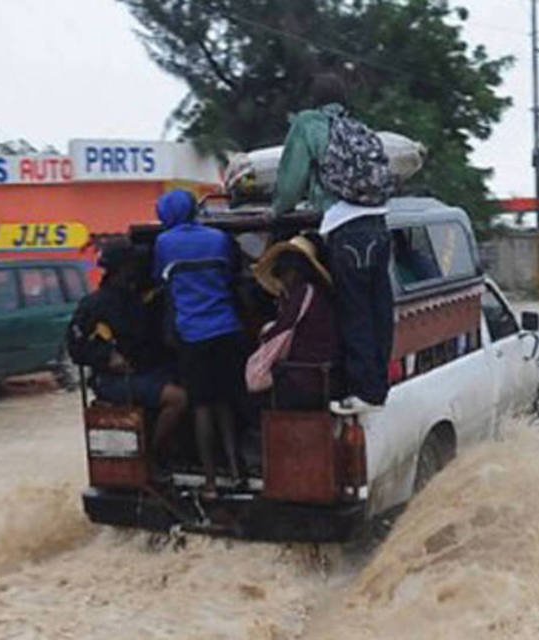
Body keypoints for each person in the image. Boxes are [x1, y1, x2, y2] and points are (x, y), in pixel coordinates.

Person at [272, 72, 394, 414]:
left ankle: (361, 392)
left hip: (345, 230)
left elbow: (291, 182)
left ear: (313, 98)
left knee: (353, 312)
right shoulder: (355, 128)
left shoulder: (307, 125)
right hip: (378, 226)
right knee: (378, 310)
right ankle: (377, 387)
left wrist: (278, 210)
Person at [152, 189, 245, 499]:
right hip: (228, 330)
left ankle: (210, 481)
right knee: (225, 402)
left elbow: (160, 282)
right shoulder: (218, 238)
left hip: (193, 335)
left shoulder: (164, 243)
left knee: (201, 406)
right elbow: (232, 273)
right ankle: (235, 471)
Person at [68, 238, 187, 466]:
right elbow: (76, 345)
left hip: (150, 370)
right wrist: (107, 357)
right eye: (132, 263)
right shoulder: (94, 305)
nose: (137, 267)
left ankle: (179, 451)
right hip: (116, 378)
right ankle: (152, 457)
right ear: (122, 269)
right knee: (179, 399)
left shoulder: (145, 298)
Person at [250, 234, 341, 409]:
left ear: (296, 271)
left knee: (256, 397)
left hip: (309, 376)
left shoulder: (305, 292)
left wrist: (265, 335)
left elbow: (283, 328)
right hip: (314, 373)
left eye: (284, 273)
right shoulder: (311, 293)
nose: (283, 280)